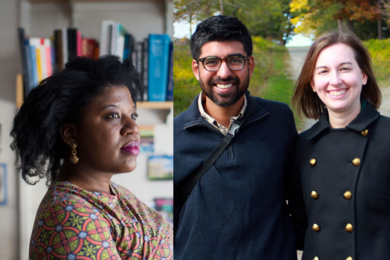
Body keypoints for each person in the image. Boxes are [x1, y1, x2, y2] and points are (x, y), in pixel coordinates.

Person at [10, 56, 173, 259]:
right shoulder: (69, 215)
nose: (133, 128)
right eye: (112, 115)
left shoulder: (114, 193)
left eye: (133, 115)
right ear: (71, 134)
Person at [174, 15, 301, 259]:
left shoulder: (278, 120)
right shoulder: (173, 136)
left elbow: (300, 201)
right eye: (211, 61)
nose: (224, 73)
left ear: (250, 65)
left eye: (235, 60)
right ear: (196, 68)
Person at [291, 30, 387, 260]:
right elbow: (300, 222)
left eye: (345, 68)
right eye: (323, 71)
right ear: (313, 83)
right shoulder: (302, 146)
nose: (335, 80)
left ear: (363, 75)